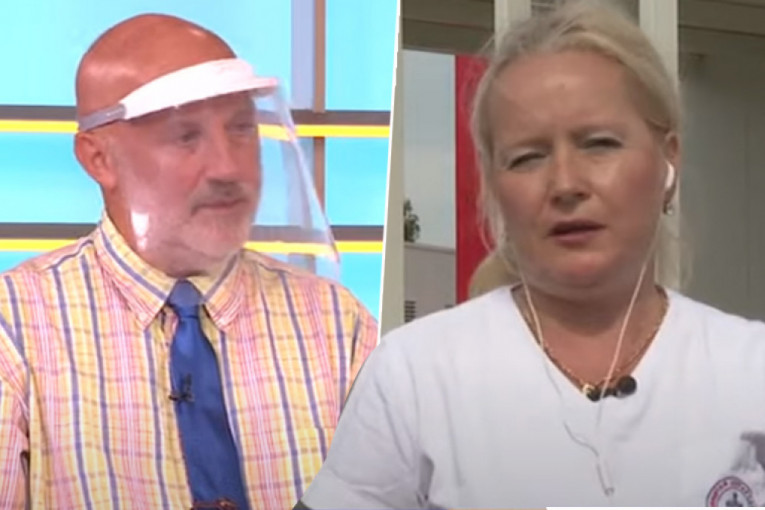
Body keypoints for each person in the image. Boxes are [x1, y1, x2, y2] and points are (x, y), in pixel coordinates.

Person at [295, 0, 765, 508]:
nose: (565, 184)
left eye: (599, 144)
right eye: (527, 158)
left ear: (668, 160)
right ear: (494, 187)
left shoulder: (748, 367)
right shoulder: (415, 376)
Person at [0, 13, 377, 510]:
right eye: (185, 136)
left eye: (241, 129)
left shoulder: (338, 324)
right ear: (99, 159)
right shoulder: (14, 325)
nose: (227, 167)